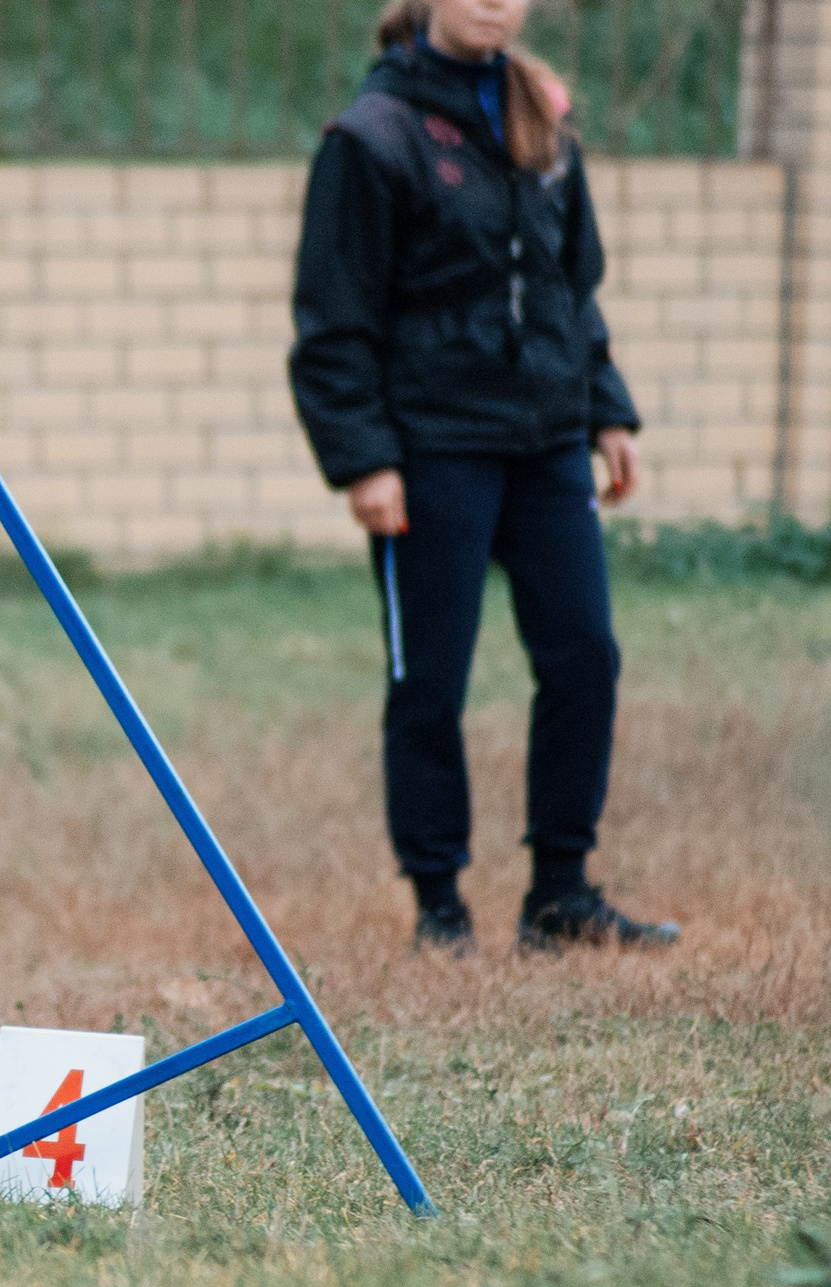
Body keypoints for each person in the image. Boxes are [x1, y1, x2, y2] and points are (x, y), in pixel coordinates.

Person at [288, 0, 678, 955]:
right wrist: (365, 459)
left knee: (586, 655)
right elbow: (333, 317)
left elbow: (567, 287)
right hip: (430, 453)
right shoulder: (371, 136)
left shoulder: (542, 114)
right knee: (431, 680)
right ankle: (440, 908)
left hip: (548, 443)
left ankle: (561, 893)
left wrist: (607, 407)